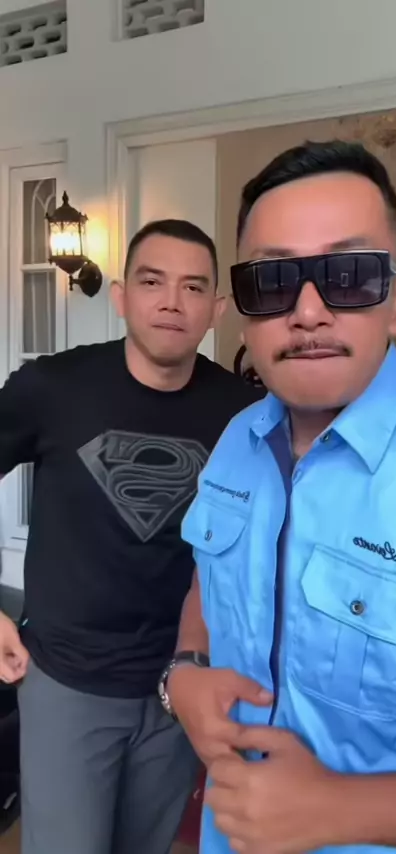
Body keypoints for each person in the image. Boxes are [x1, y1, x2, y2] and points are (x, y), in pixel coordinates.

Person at [160, 142, 396, 854]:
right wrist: (185, 669)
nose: (307, 311)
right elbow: (212, 577)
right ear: (244, 312)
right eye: (272, 280)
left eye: (348, 275)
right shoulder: (238, 440)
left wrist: (341, 809)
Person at [0, 218, 261, 854]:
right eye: (152, 282)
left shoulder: (244, 414)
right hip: (66, 681)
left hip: (178, 688)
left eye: (193, 287)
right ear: (121, 296)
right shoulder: (51, 387)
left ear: (216, 309)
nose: (172, 301)